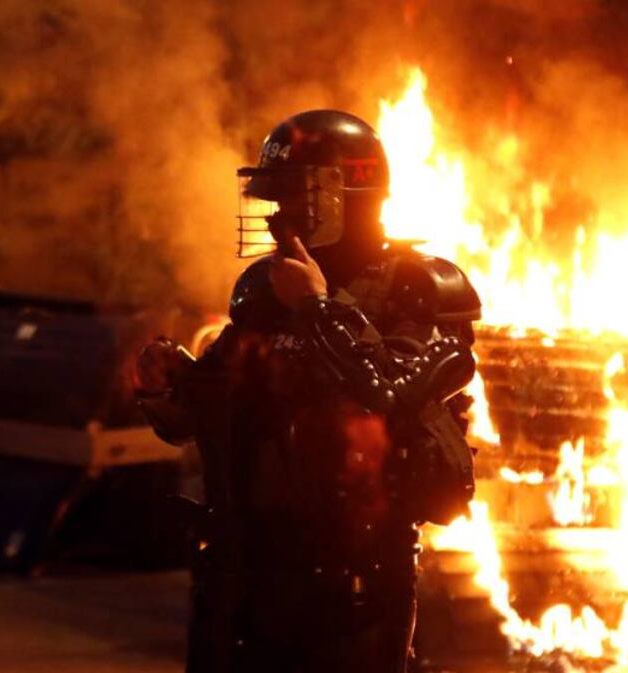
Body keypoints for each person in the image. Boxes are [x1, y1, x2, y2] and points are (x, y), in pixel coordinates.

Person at [135, 110, 481, 673]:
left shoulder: (419, 288)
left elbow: (387, 394)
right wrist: (166, 384)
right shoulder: (265, 291)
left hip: (354, 587)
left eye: (296, 201)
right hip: (244, 575)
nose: (278, 219)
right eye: (274, 201)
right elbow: (203, 414)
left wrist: (318, 308)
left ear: (349, 195)